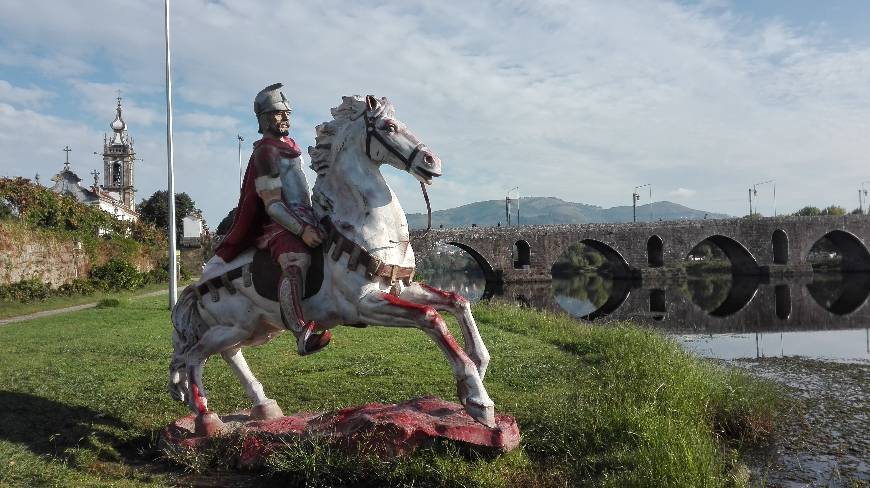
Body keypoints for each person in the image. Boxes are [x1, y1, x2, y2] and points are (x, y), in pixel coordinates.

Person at [213, 83, 330, 355]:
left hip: (307, 213)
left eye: (287, 112)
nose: (285, 118)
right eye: (278, 113)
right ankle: (301, 332)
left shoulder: (291, 146)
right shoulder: (266, 151)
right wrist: (301, 231)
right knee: (295, 261)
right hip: (280, 224)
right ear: (264, 118)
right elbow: (274, 205)